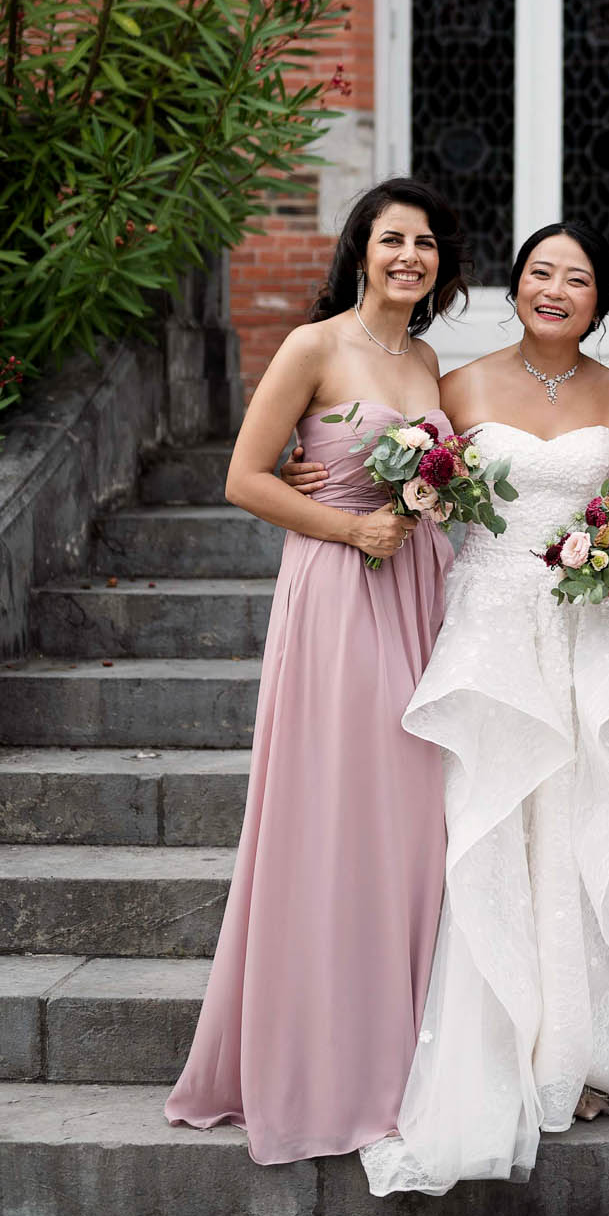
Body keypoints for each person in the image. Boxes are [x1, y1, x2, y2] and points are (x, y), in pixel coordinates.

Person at [352, 223, 609, 1196]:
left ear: (600, 301)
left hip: (586, 629)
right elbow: (407, 485)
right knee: (494, 828)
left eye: (577, 277)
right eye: (541, 272)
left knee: (590, 839)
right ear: (514, 284)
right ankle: (511, 1044)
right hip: (490, 626)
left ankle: (586, 1049)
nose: (556, 288)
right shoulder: (456, 385)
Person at [166, 178, 466, 1163]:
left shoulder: (426, 358)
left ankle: (401, 1048)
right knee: (341, 808)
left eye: (424, 243)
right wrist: (347, 522)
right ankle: (318, 1063)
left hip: (418, 589)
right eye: (392, 239)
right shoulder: (313, 345)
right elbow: (245, 475)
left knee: (412, 816)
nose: (408, 256)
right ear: (360, 248)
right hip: (338, 589)